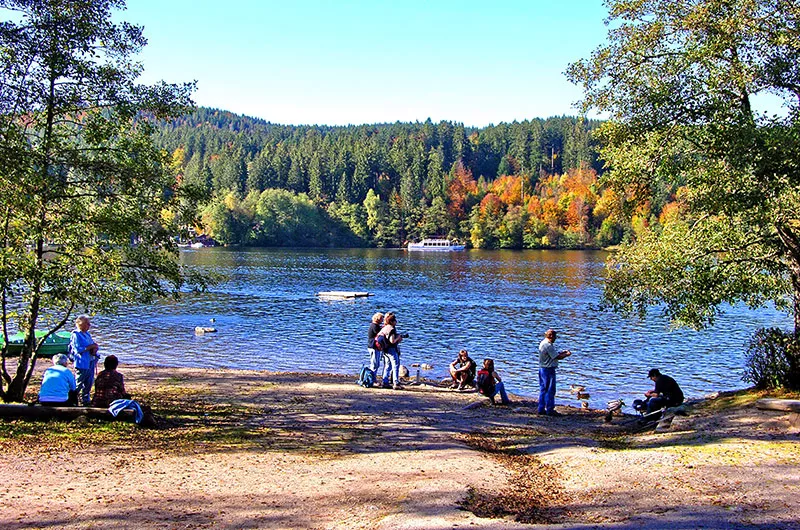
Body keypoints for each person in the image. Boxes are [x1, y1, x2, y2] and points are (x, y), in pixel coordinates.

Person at [537, 328, 572, 417]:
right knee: (550, 390)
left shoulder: (543, 343)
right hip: (548, 370)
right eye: (555, 336)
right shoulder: (548, 345)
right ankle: (550, 409)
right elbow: (557, 357)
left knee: (543, 389)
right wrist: (567, 354)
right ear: (551, 336)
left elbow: (553, 354)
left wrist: (562, 352)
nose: (556, 338)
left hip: (542, 369)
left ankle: (541, 409)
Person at [70, 315, 100, 406]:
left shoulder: (87, 334)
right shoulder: (76, 334)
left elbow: (92, 344)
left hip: (91, 361)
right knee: (79, 382)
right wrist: (91, 347)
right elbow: (78, 349)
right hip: (82, 362)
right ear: (81, 324)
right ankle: (72, 399)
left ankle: (85, 400)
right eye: (87, 324)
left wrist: (95, 348)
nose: (89, 325)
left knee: (89, 382)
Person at [379, 312, 404, 390]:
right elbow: (392, 341)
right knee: (395, 365)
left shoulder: (385, 327)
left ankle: (385, 381)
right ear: (392, 321)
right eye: (395, 321)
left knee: (387, 365)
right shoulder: (391, 329)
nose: (396, 322)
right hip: (391, 349)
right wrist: (398, 338)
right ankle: (396, 383)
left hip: (384, 349)